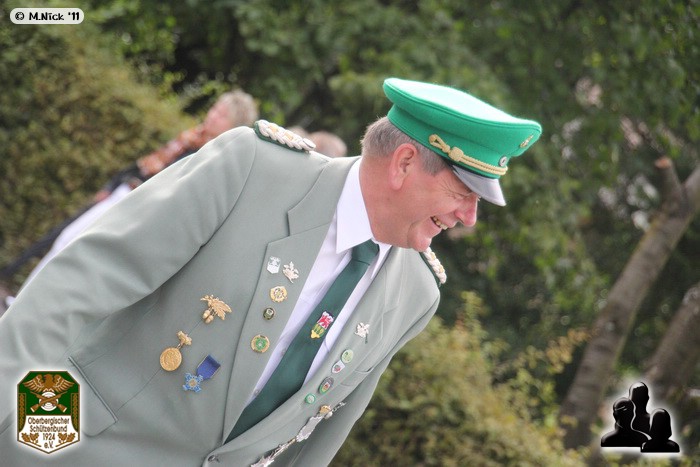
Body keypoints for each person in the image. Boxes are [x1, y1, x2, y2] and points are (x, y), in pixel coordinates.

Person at [0, 77, 541, 466]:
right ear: (403, 163)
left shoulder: (417, 292)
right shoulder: (253, 169)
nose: (468, 218)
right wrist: (30, 433)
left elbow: (318, 440)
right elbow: (77, 286)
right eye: (463, 193)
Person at [0, 89, 258, 301]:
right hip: (126, 193)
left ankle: (33, 306)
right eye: (215, 109)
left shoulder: (210, 159)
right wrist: (113, 186)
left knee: (79, 254)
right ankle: (24, 301)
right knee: (66, 240)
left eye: (222, 115)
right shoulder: (190, 139)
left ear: (233, 127)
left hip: (137, 210)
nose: (212, 115)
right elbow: (144, 166)